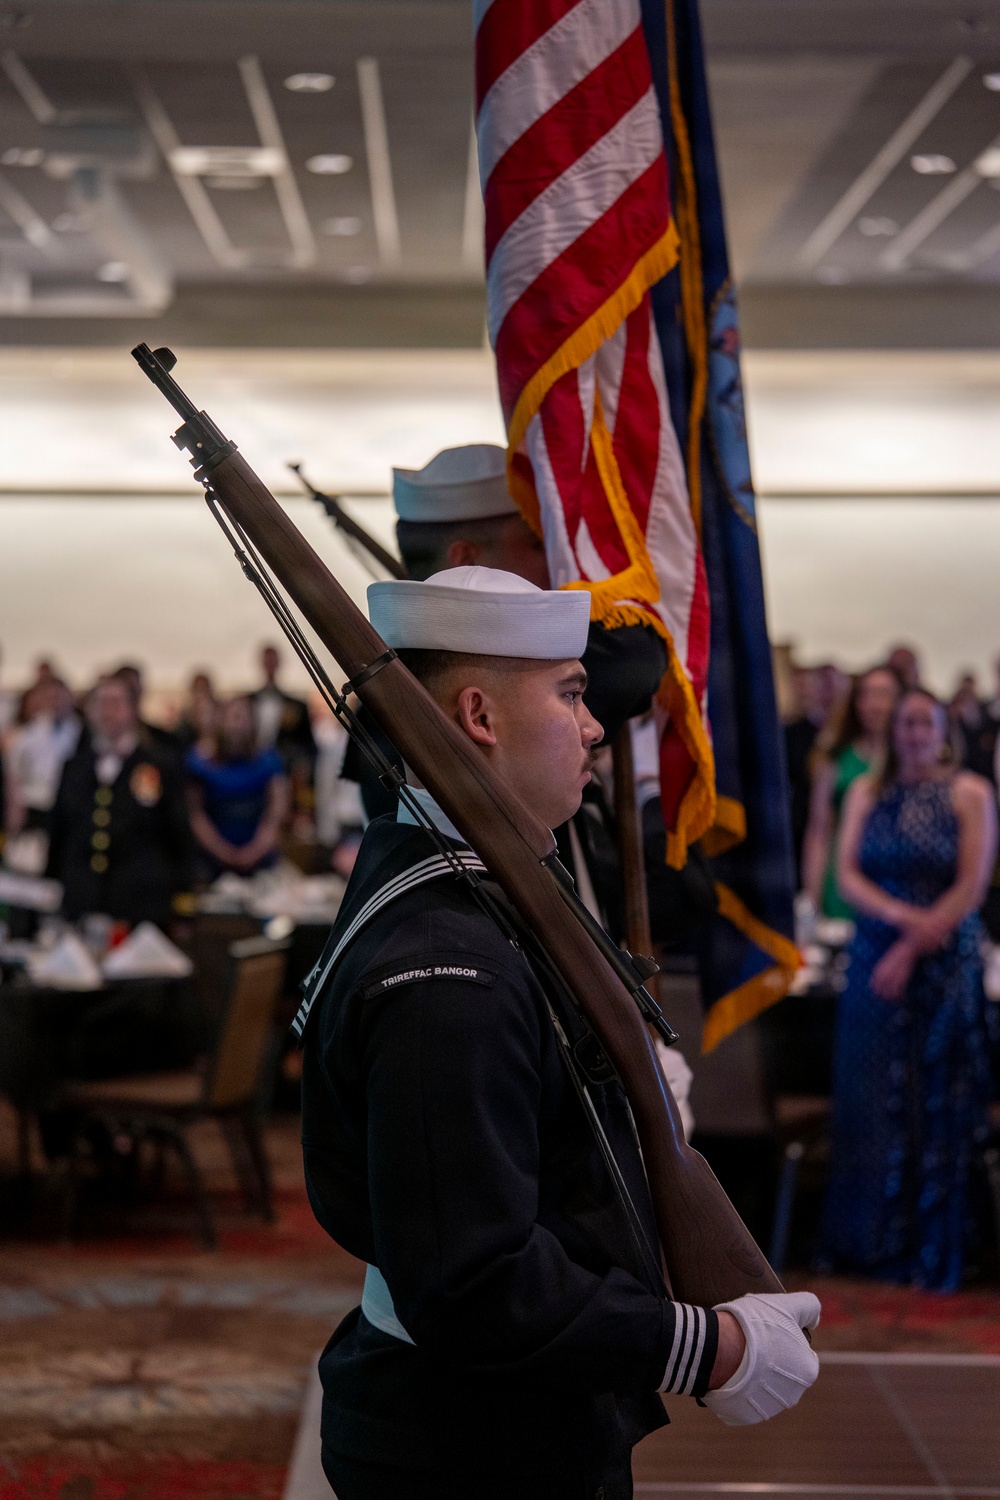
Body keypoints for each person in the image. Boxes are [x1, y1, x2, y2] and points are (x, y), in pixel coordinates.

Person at [299, 565, 820, 1499]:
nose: (593, 726)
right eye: (571, 693)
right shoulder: (447, 963)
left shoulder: (479, 894)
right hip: (470, 1445)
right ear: (479, 717)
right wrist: (710, 1346)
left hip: (505, 1419)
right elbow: (473, 1283)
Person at [819, 688, 997, 1290]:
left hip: (946, 964)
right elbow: (845, 872)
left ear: (943, 729)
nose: (915, 732)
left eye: (926, 722)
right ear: (892, 731)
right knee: (871, 1104)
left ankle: (935, 1249)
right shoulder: (867, 790)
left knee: (938, 1106)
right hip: (875, 959)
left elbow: (971, 886)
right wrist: (900, 924)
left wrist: (917, 941)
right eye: (906, 722)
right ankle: (869, 1244)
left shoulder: (971, 791)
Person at [47, 673, 194, 930]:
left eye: (115, 703)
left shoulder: (159, 764)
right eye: (100, 703)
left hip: (140, 902)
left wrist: (182, 898)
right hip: (82, 900)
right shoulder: (74, 766)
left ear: (133, 709)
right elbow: (59, 832)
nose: (107, 711)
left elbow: (178, 833)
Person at [801, 665, 900, 918]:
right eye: (866, 695)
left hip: (897, 881)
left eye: (883, 694)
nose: (874, 704)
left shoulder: (909, 762)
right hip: (844, 878)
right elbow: (819, 830)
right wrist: (812, 897)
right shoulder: (835, 760)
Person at [185, 695, 289, 880]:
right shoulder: (201, 761)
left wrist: (253, 852)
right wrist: (224, 853)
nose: (237, 724)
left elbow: (276, 813)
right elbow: (195, 814)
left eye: (243, 717)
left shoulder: (268, 760)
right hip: (213, 860)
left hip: (260, 858)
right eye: (232, 716)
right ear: (221, 720)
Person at [3, 675, 81, 838]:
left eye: (60, 697)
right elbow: (14, 775)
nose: (56, 702)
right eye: (51, 697)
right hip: (35, 809)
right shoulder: (25, 736)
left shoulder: (79, 732)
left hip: (69, 809)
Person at [174, 670, 218, 754]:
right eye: (198, 689)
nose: (201, 694)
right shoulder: (183, 724)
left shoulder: (222, 728)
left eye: (204, 689)